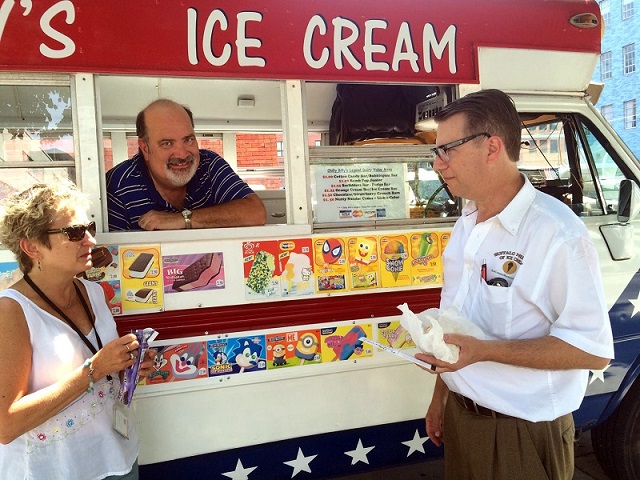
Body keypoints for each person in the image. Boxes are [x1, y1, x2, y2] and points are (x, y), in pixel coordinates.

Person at [414, 89, 614, 479]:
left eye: (447, 150)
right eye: (435, 152)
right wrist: (441, 396)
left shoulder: (556, 233)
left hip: (521, 432)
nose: (438, 164)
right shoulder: (465, 225)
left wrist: (485, 352)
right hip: (462, 416)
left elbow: (592, 351)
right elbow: (455, 324)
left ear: (492, 147)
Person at [0, 182, 156, 479]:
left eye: (89, 227)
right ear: (32, 247)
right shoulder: (11, 311)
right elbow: (6, 426)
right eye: (73, 232)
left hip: (116, 458)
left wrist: (127, 369)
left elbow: (102, 375)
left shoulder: (93, 292)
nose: (90, 240)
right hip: (56, 471)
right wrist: (95, 369)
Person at [106, 99, 266, 231]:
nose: (182, 154)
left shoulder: (209, 164)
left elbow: (256, 213)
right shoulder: (117, 184)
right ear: (145, 148)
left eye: (188, 140)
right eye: (167, 143)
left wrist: (183, 219)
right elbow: (110, 260)